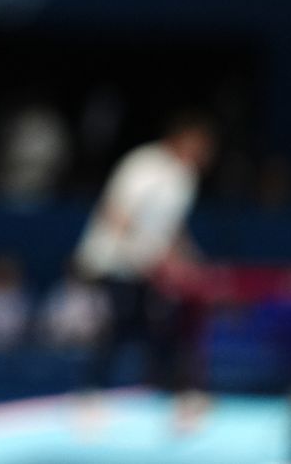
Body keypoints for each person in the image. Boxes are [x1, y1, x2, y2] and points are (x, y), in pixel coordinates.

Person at [73, 112, 216, 417]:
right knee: (118, 328)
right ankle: (90, 397)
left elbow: (171, 227)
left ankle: (166, 394)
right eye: (199, 146)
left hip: (150, 265)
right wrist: (146, 252)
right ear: (181, 140)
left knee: (164, 325)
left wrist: (191, 259)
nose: (205, 155)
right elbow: (116, 212)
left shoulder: (185, 177)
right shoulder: (143, 164)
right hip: (114, 260)